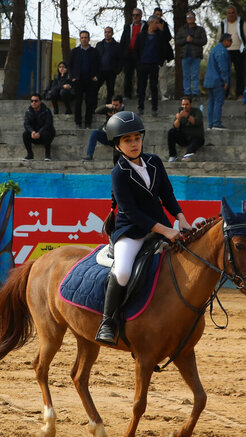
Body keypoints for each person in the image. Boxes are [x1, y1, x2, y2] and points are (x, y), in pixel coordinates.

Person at [95, 111, 192, 345]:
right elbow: (131, 212)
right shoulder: (118, 173)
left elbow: (166, 193)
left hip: (162, 225)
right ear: (117, 145)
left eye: (137, 138)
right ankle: (108, 321)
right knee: (124, 271)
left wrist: (180, 217)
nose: (134, 144)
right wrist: (165, 231)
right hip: (131, 231)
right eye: (127, 140)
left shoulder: (155, 162)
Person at [216, 5, 246, 99]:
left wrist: (245, 47)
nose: (230, 14)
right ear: (226, 14)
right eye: (229, 13)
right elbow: (218, 37)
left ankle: (239, 94)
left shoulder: (241, 22)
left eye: (232, 12)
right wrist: (220, 49)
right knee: (225, 73)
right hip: (226, 51)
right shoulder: (223, 24)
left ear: (236, 13)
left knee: (239, 73)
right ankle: (225, 94)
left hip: (239, 50)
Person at [134, 15, 166, 115]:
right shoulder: (141, 35)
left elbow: (164, 47)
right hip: (142, 64)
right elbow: (136, 50)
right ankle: (140, 107)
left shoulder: (159, 36)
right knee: (141, 87)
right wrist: (138, 64)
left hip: (154, 64)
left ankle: (154, 108)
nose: (157, 25)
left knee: (153, 87)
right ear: (150, 23)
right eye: (156, 23)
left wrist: (162, 31)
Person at [69, 31, 101, 128]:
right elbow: (70, 66)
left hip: (90, 80)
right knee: (78, 102)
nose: (84, 39)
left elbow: (99, 65)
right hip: (78, 80)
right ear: (80, 39)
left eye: (86, 37)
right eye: (82, 37)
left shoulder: (94, 51)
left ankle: (88, 123)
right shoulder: (74, 51)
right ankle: (78, 122)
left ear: (89, 39)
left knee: (89, 102)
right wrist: (72, 77)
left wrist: (96, 76)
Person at [82, 95, 124, 163]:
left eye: (116, 105)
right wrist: (106, 106)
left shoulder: (124, 113)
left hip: (117, 139)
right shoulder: (110, 109)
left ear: (121, 104)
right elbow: (96, 111)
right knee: (95, 133)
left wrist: (114, 117)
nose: (115, 107)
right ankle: (89, 155)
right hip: (107, 135)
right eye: (113, 104)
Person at [175, 11, 207, 98]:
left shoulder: (200, 29)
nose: (189, 18)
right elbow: (177, 41)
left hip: (196, 56)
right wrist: (186, 40)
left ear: (195, 18)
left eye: (191, 16)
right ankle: (187, 93)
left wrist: (192, 40)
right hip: (185, 55)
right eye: (188, 16)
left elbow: (204, 41)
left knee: (195, 75)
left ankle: (195, 92)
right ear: (186, 19)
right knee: (186, 75)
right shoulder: (182, 29)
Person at [204, 33, 232, 130]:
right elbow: (223, 68)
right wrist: (226, 81)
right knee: (218, 102)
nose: (231, 42)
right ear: (225, 41)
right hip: (218, 80)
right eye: (230, 40)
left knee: (211, 102)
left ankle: (211, 124)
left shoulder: (215, 49)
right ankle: (216, 123)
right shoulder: (222, 51)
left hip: (210, 80)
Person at [119, 8, 146, 99]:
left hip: (140, 54)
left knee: (141, 75)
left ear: (141, 16)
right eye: (133, 15)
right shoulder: (128, 27)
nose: (135, 17)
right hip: (129, 54)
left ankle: (140, 94)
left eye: (137, 15)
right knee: (128, 75)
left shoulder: (145, 26)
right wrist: (123, 53)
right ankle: (127, 94)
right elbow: (123, 41)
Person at [168, 96, 204, 162]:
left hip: (196, 137)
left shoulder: (197, 112)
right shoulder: (180, 112)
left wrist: (187, 116)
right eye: (183, 104)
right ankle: (172, 155)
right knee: (171, 132)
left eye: (186, 104)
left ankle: (188, 155)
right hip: (184, 138)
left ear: (190, 104)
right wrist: (178, 119)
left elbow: (196, 122)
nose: (185, 106)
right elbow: (175, 126)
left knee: (196, 139)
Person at [150, 7, 174, 101]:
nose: (158, 16)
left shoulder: (164, 24)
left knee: (162, 75)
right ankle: (152, 94)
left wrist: (162, 30)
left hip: (161, 55)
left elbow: (168, 38)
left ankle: (164, 94)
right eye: (157, 14)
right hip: (151, 54)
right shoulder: (149, 24)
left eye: (160, 15)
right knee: (152, 76)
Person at [23, 93, 55, 161]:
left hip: (44, 134)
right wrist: (32, 132)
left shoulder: (46, 111)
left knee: (48, 132)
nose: (34, 103)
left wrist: (39, 133)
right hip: (34, 135)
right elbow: (26, 124)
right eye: (32, 101)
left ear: (40, 101)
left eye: (36, 101)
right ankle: (30, 155)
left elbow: (48, 124)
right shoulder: (28, 112)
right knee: (25, 134)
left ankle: (47, 155)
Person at [96, 27, 123, 104]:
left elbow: (120, 59)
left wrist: (117, 70)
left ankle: (109, 109)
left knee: (110, 91)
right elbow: (95, 57)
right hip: (100, 71)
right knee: (95, 88)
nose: (107, 34)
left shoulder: (117, 46)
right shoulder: (99, 45)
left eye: (109, 32)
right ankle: (93, 107)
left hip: (111, 71)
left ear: (112, 33)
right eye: (105, 32)